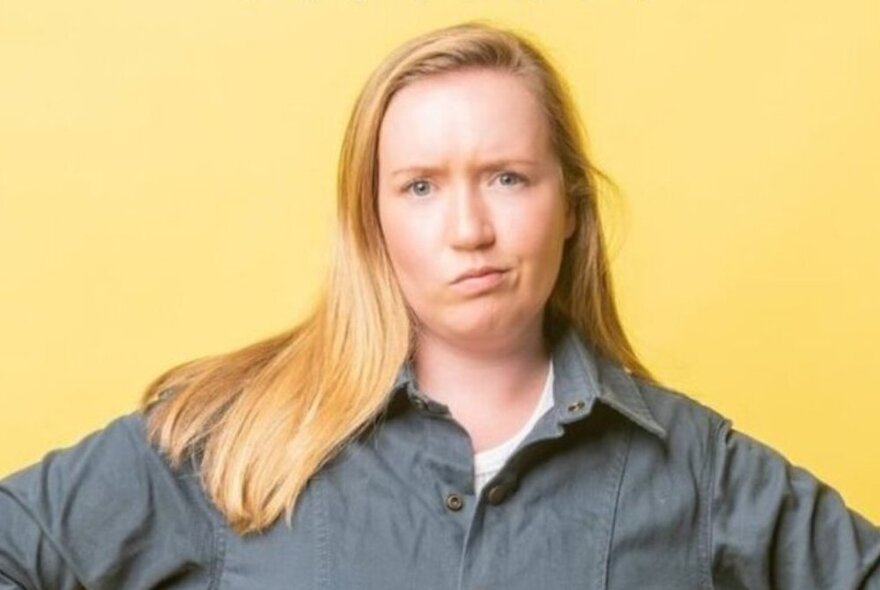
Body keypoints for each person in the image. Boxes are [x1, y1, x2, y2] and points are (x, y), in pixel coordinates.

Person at [1, 19, 878, 590]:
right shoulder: (232, 439)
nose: (469, 228)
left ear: (569, 204)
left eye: (507, 178)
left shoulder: (698, 468)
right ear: (373, 220)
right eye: (420, 187)